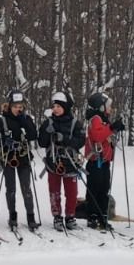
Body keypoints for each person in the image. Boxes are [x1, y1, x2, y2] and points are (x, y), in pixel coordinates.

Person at [0, 90, 40, 232]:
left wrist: (26, 122)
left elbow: (33, 136)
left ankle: (31, 217)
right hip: (8, 158)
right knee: (10, 188)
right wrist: (4, 141)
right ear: (9, 106)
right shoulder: (1, 120)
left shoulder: (27, 119)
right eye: (15, 106)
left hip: (23, 158)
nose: (19, 109)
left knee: (26, 188)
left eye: (21, 106)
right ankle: (13, 216)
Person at [39, 90, 85, 231]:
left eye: (59, 106)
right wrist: (47, 131)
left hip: (70, 162)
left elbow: (81, 141)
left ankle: (70, 217)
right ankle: (57, 217)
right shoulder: (48, 122)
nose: (56, 109)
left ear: (65, 107)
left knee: (71, 192)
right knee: (54, 191)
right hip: (54, 162)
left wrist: (64, 138)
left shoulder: (75, 123)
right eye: (54, 106)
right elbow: (41, 142)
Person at [82, 92, 124, 230]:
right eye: (108, 106)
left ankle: (102, 216)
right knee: (94, 190)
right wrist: (112, 128)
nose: (110, 109)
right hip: (95, 162)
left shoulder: (104, 119)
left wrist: (116, 128)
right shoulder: (95, 119)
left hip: (104, 162)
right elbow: (98, 135)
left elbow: (107, 134)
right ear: (101, 107)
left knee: (104, 189)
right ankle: (92, 216)